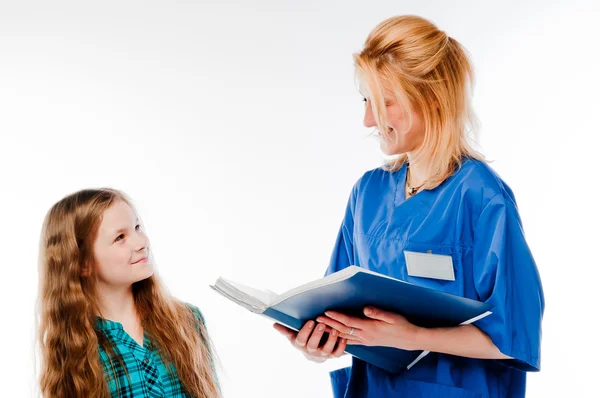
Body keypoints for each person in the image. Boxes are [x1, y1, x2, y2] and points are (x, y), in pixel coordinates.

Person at [274, 15, 544, 398]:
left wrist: (412, 336)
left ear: (431, 100)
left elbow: (513, 336)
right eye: (366, 100)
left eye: (385, 103)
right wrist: (320, 342)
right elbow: (339, 308)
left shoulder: (482, 198)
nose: (369, 119)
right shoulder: (367, 193)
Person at [37, 188, 220, 397]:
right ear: (82, 263)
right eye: (120, 237)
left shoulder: (188, 321)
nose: (141, 242)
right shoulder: (75, 349)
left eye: (137, 227)